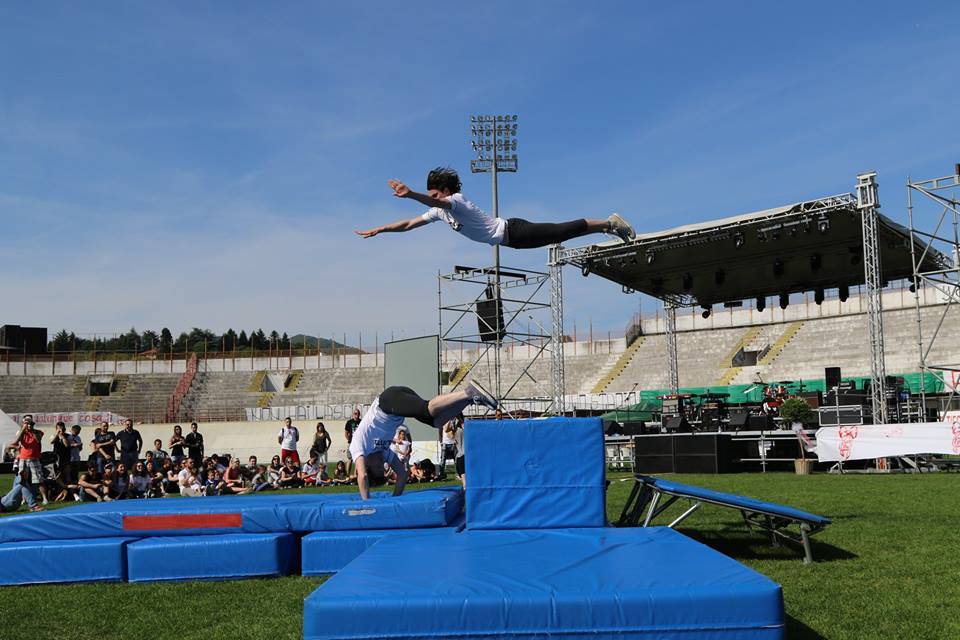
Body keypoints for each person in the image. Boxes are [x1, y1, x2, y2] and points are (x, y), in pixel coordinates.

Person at [355, 167, 636, 249]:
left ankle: (610, 223)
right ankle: (608, 227)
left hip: (514, 232)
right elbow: (407, 224)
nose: (433, 198)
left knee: (564, 231)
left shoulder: (457, 202)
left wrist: (412, 194)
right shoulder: (440, 212)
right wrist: (380, 229)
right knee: (561, 235)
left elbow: (435, 202)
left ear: (446, 191)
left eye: (435, 193)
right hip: (511, 240)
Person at [350, 381, 496, 500]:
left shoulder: (358, 446)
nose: (383, 464)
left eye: (379, 467)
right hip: (398, 408)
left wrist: (366, 503)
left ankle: (468, 391)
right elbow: (402, 475)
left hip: (388, 401)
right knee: (436, 422)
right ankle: (469, 399)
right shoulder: (384, 453)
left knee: (428, 409)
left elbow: (362, 476)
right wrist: (395, 500)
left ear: (367, 465)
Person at [7, 417, 47, 507]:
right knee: (22, 480)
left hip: (34, 458)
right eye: (26, 423)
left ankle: (45, 498)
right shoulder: (21, 432)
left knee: (39, 480)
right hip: (23, 459)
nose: (28, 425)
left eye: (30, 424)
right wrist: (23, 430)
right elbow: (16, 442)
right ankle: (24, 499)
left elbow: (38, 440)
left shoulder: (38, 432)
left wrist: (31, 431)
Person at [344, 408, 361, 474]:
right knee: (350, 459)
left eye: (358, 413)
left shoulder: (361, 422)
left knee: (357, 459)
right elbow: (346, 433)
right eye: (355, 413)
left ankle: (355, 475)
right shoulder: (349, 422)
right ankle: (347, 474)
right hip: (351, 443)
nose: (357, 415)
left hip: (359, 443)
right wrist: (350, 440)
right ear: (353, 414)